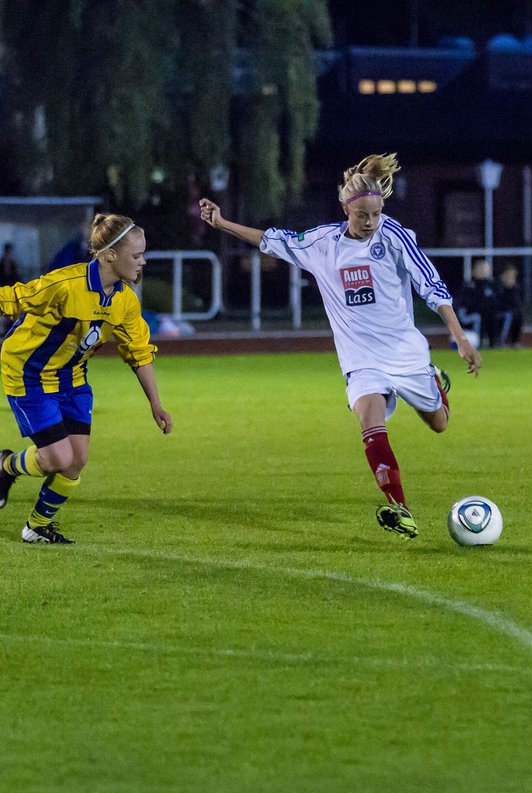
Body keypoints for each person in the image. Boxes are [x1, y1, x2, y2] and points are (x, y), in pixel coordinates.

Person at [198, 152, 481, 539]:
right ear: (345, 208)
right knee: (369, 419)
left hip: (405, 353)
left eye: (376, 214)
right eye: (361, 215)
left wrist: (460, 338)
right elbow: (269, 240)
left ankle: (433, 381)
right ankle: (401, 508)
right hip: (361, 360)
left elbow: (431, 285)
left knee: (439, 424)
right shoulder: (321, 243)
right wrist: (221, 222)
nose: (369, 222)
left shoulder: (394, 236)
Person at [0, 214, 173, 544]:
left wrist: (155, 404)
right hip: (28, 372)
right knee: (59, 458)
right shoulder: (65, 285)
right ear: (110, 255)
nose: (142, 262)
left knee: (77, 460)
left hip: (71, 377)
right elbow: (6, 298)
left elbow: (139, 352)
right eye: (136, 255)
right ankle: (9, 465)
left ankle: (37, 526)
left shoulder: (125, 301)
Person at [495, 263, 524, 347]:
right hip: (499, 311)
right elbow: (497, 302)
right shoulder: (498, 286)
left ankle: (515, 341)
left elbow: (517, 303)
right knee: (508, 315)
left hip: (511, 311)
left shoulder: (516, 287)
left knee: (518, 315)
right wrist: (507, 289)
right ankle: (501, 341)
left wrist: (511, 288)